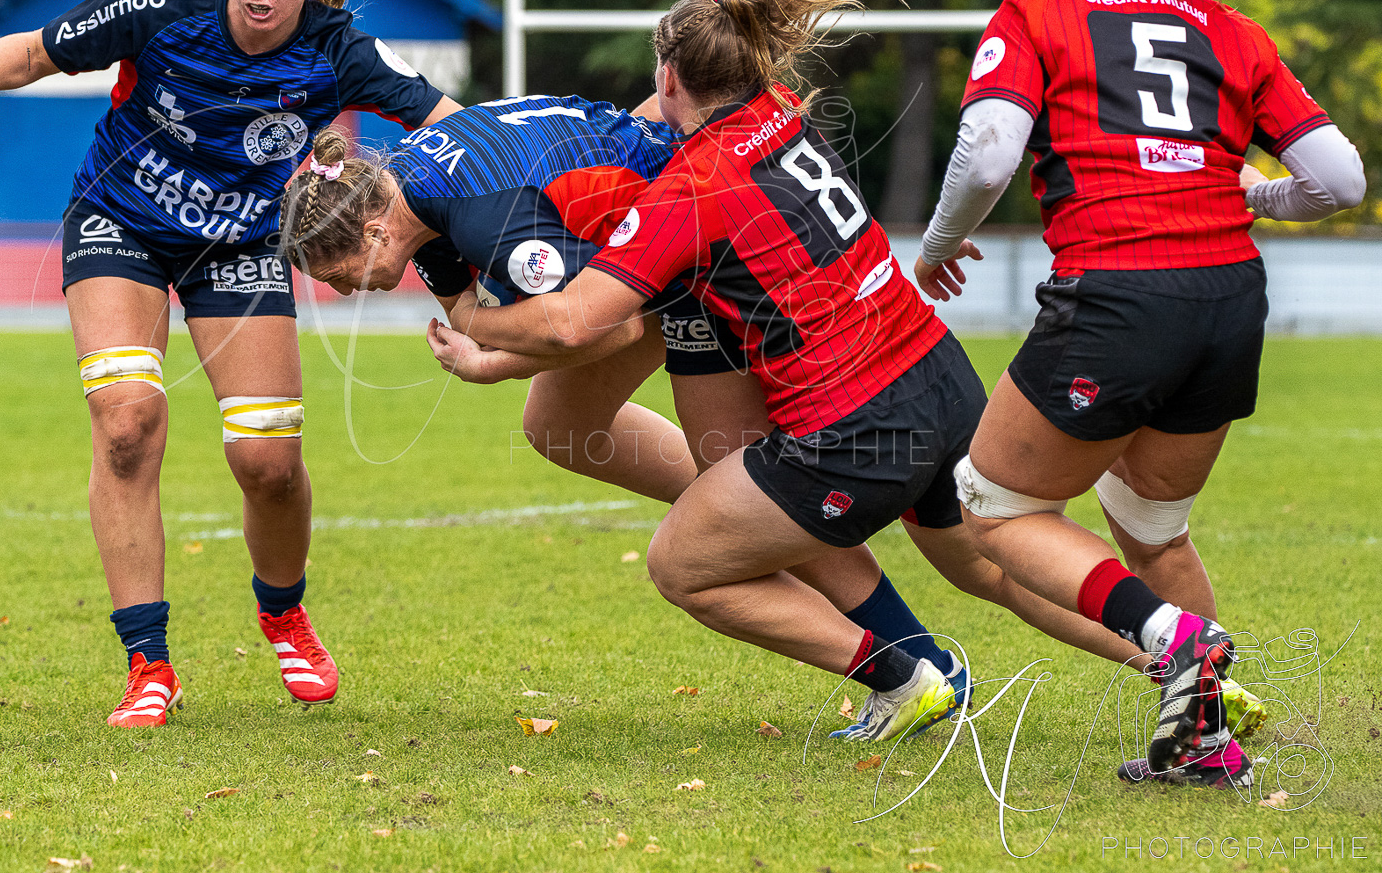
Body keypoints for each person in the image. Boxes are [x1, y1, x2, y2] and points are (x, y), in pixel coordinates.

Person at [438, 0, 1151, 743]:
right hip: (936, 370)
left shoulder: (691, 190)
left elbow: (580, 320)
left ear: (667, 79)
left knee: (690, 559)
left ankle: (902, 674)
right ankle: (1183, 660)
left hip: (857, 426)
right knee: (995, 567)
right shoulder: (780, 107)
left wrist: (474, 325)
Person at [0, 0, 462, 727]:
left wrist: (471, 213)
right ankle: (149, 663)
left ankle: (283, 611)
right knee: (126, 424)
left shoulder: (342, 51)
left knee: (267, 461)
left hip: (242, 246)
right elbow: (36, 49)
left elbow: (453, 123)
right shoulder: (166, 4)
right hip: (121, 222)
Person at [278, 103, 979, 738]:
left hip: (695, 258)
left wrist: (483, 347)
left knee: (741, 498)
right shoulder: (412, 195)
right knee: (561, 427)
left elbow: (593, 329)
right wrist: (478, 327)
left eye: (340, 276)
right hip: (664, 240)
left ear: (372, 231)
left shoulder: (487, 217)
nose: (344, 291)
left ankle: (907, 665)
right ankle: (907, 653)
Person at [913, 0, 1365, 787]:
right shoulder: (1231, 29)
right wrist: (1257, 196)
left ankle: (1175, 641)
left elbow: (992, 152)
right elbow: (1340, 179)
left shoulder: (1041, 6)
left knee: (992, 508)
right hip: (1229, 299)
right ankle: (1202, 740)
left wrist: (941, 242)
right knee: (1148, 523)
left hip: (1120, 289)